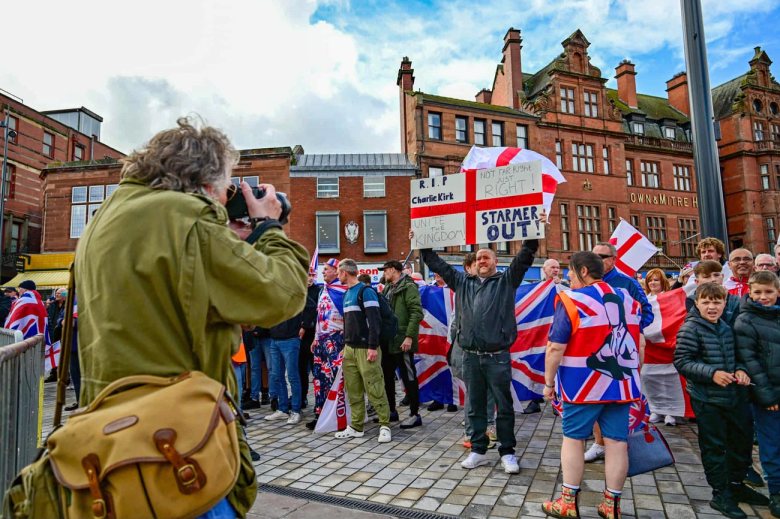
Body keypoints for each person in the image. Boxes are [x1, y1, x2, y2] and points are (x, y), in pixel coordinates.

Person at [73, 117, 309, 517]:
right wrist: (269, 226)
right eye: (227, 188)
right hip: (178, 446)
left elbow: (170, 303)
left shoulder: (108, 217)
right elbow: (281, 294)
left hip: (112, 442)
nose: (226, 198)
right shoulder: (188, 221)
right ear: (204, 183)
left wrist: (226, 239)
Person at [419, 237, 539, 474]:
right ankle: (478, 450)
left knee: (503, 407)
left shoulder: (506, 282)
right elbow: (436, 264)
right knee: (474, 406)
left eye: (486, 257)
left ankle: (507, 452)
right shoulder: (462, 282)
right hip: (470, 356)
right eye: (478, 258)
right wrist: (423, 243)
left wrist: (533, 235)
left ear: (496, 262)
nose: (482, 261)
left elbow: (525, 257)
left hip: (497, 357)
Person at [542, 251, 642, 519]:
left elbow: (555, 347)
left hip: (581, 386)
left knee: (573, 439)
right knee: (618, 443)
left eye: (571, 273)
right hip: (622, 384)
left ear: (584, 271)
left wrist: (548, 383)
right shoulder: (629, 299)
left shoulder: (572, 299)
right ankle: (612, 506)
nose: (568, 278)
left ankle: (568, 501)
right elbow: (638, 343)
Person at [674, 283, 767, 518]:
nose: (712, 306)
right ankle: (721, 494)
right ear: (697, 304)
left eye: (716, 302)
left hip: (734, 397)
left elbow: (737, 356)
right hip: (708, 399)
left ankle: (736, 486)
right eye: (706, 302)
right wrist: (711, 373)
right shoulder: (690, 328)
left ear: (724, 303)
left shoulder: (726, 327)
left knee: (741, 444)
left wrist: (740, 369)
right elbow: (683, 361)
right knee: (715, 448)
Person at [584, 242, 653, 463]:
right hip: (596, 351)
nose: (596, 260)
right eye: (592, 256)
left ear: (614, 259)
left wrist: (631, 330)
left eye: (601, 256)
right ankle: (598, 443)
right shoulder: (584, 283)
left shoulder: (627, 283)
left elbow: (647, 312)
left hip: (623, 353)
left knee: (622, 399)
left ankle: (624, 441)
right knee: (595, 397)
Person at [735, 271, 780, 517]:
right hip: (768, 397)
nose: (763, 297)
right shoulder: (745, 321)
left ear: (778, 292)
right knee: (772, 445)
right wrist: (768, 396)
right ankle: (777, 492)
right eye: (758, 293)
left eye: (769, 292)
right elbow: (749, 361)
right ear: (749, 293)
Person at [333, 258, 392, 443]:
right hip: (350, 349)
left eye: (338, 272)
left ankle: (385, 425)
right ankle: (356, 426)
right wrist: (345, 346)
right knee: (353, 389)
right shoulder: (347, 294)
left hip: (366, 349)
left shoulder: (366, 292)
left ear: (345, 272)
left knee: (375, 386)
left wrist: (372, 347)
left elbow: (375, 322)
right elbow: (348, 324)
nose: (337, 275)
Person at [380, 259, 424, 429]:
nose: (384, 273)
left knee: (409, 377)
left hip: (402, 340)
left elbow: (416, 312)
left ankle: (415, 414)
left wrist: (409, 336)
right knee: (387, 377)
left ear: (393, 270)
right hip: (388, 340)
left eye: (385, 270)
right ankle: (392, 411)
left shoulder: (409, 287)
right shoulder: (388, 288)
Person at [307, 258, 345, 430]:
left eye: (326, 270)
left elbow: (349, 318)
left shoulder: (343, 290)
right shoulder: (324, 289)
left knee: (334, 376)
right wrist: (316, 337)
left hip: (336, 339)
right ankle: (320, 412)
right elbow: (319, 315)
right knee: (319, 377)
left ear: (337, 271)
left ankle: (337, 413)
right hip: (321, 339)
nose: (323, 272)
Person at [297, 271, 320, 409]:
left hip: (314, 336)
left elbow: (317, 312)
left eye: (312, 276)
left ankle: (319, 400)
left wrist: (306, 325)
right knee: (300, 370)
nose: (310, 278)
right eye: (307, 275)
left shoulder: (318, 291)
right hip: (299, 338)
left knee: (315, 370)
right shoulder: (298, 292)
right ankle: (302, 397)